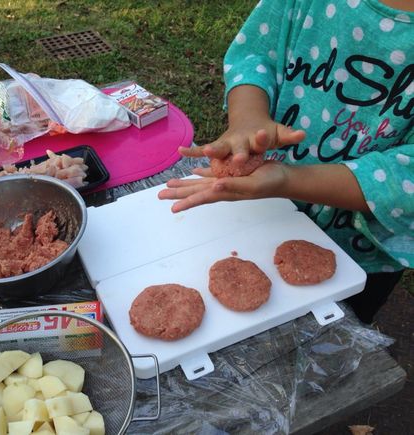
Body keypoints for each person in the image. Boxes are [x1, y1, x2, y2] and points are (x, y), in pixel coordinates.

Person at [158, 0, 413, 323]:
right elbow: (256, 54)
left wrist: (289, 180)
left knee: (339, 327)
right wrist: (248, 118)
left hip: (361, 248)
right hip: (265, 209)